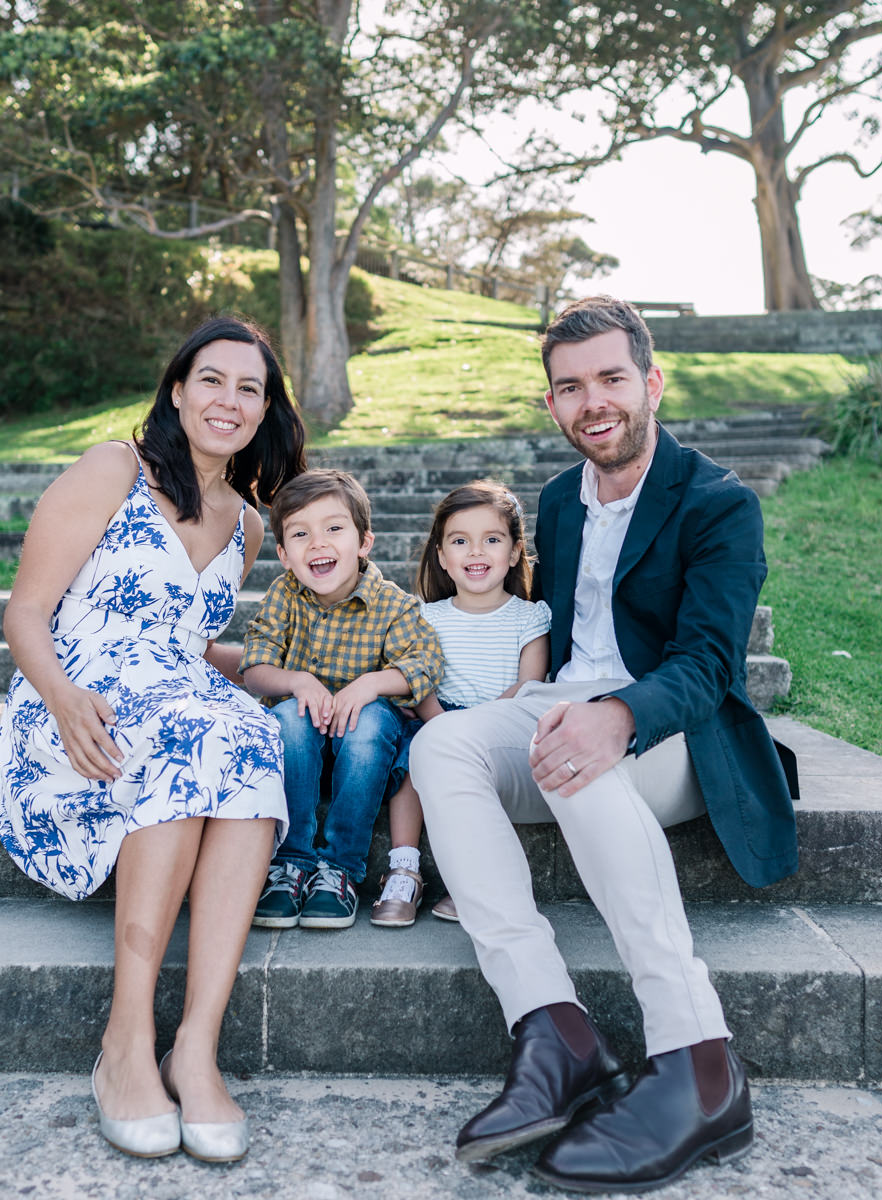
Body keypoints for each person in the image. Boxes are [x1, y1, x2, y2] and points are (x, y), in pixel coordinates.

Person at [408, 296, 799, 1192]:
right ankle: (555, 1029)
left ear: (651, 383)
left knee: (576, 759)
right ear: (552, 404)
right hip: (559, 703)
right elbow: (559, 643)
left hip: (673, 733)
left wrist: (615, 716)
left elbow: (707, 666)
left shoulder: (717, 503)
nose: (594, 402)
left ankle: (698, 1061)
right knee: (440, 753)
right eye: (571, 387)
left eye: (612, 379)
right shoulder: (557, 501)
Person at [0, 315, 306, 1164]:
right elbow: (25, 612)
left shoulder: (246, 527)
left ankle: (195, 1047)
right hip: (72, 709)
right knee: (190, 736)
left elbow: (187, 646)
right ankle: (126, 1042)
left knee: (246, 733)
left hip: (178, 701)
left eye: (250, 388)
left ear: (264, 409)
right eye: (213, 379)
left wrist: (299, 667)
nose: (229, 400)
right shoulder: (113, 469)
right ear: (177, 388)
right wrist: (62, 700)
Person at [240, 469, 445, 931]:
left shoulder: (393, 604)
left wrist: (372, 683)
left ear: (364, 542)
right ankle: (290, 864)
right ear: (284, 556)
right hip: (301, 745)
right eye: (300, 534)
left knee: (371, 720)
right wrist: (296, 680)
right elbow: (254, 667)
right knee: (290, 716)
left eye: (334, 528)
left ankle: (341, 869)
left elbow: (426, 662)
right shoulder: (284, 595)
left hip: (365, 751)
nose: (318, 544)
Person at [370, 479, 552, 928]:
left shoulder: (530, 617)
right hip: (436, 717)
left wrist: (472, 729)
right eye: (460, 541)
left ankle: (473, 878)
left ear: (513, 553)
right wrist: (438, 722)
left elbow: (529, 686)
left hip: (501, 725)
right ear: (442, 556)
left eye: (491, 540)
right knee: (413, 761)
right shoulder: (425, 616)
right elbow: (416, 675)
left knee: (478, 772)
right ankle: (404, 868)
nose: (476, 552)